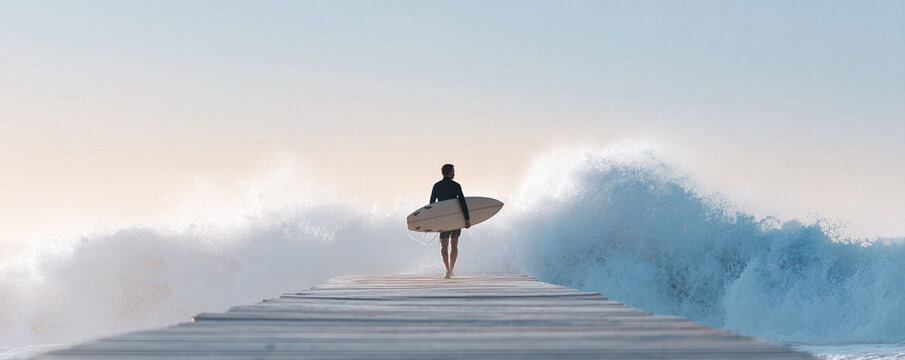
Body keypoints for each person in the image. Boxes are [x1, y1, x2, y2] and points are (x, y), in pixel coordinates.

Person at [430, 164, 471, 279]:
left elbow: (432, 204)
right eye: (453, 171)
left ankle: (447, 269)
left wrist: (433, 221)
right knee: (454, 243)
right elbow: (462, 202)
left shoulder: (437, 186)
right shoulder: (456, 186)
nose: (454, 173)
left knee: (444, 245)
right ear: (448, 173)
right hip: (455, 219)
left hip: (443, 220)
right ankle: (451, 269)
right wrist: (467, 219)